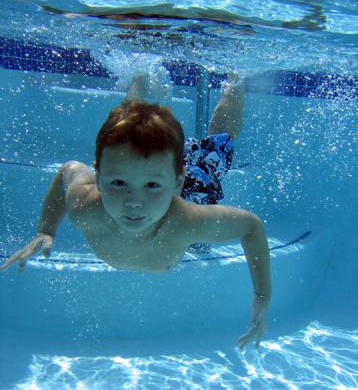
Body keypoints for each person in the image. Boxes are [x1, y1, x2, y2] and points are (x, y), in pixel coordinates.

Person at [0, 73, 271, 349]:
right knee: (127, 119)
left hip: (195, 191)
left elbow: (251, 226)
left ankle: (235, 76)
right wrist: (46, 230)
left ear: (177, 182)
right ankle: (139, 77)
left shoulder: (188, 220)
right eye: (118, 183)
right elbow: (66, 172)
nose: (134, 202)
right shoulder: (85, 206)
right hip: (159, 176)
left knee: (219, 142)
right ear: (99, 174)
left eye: (150, 186)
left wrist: (262, 296)